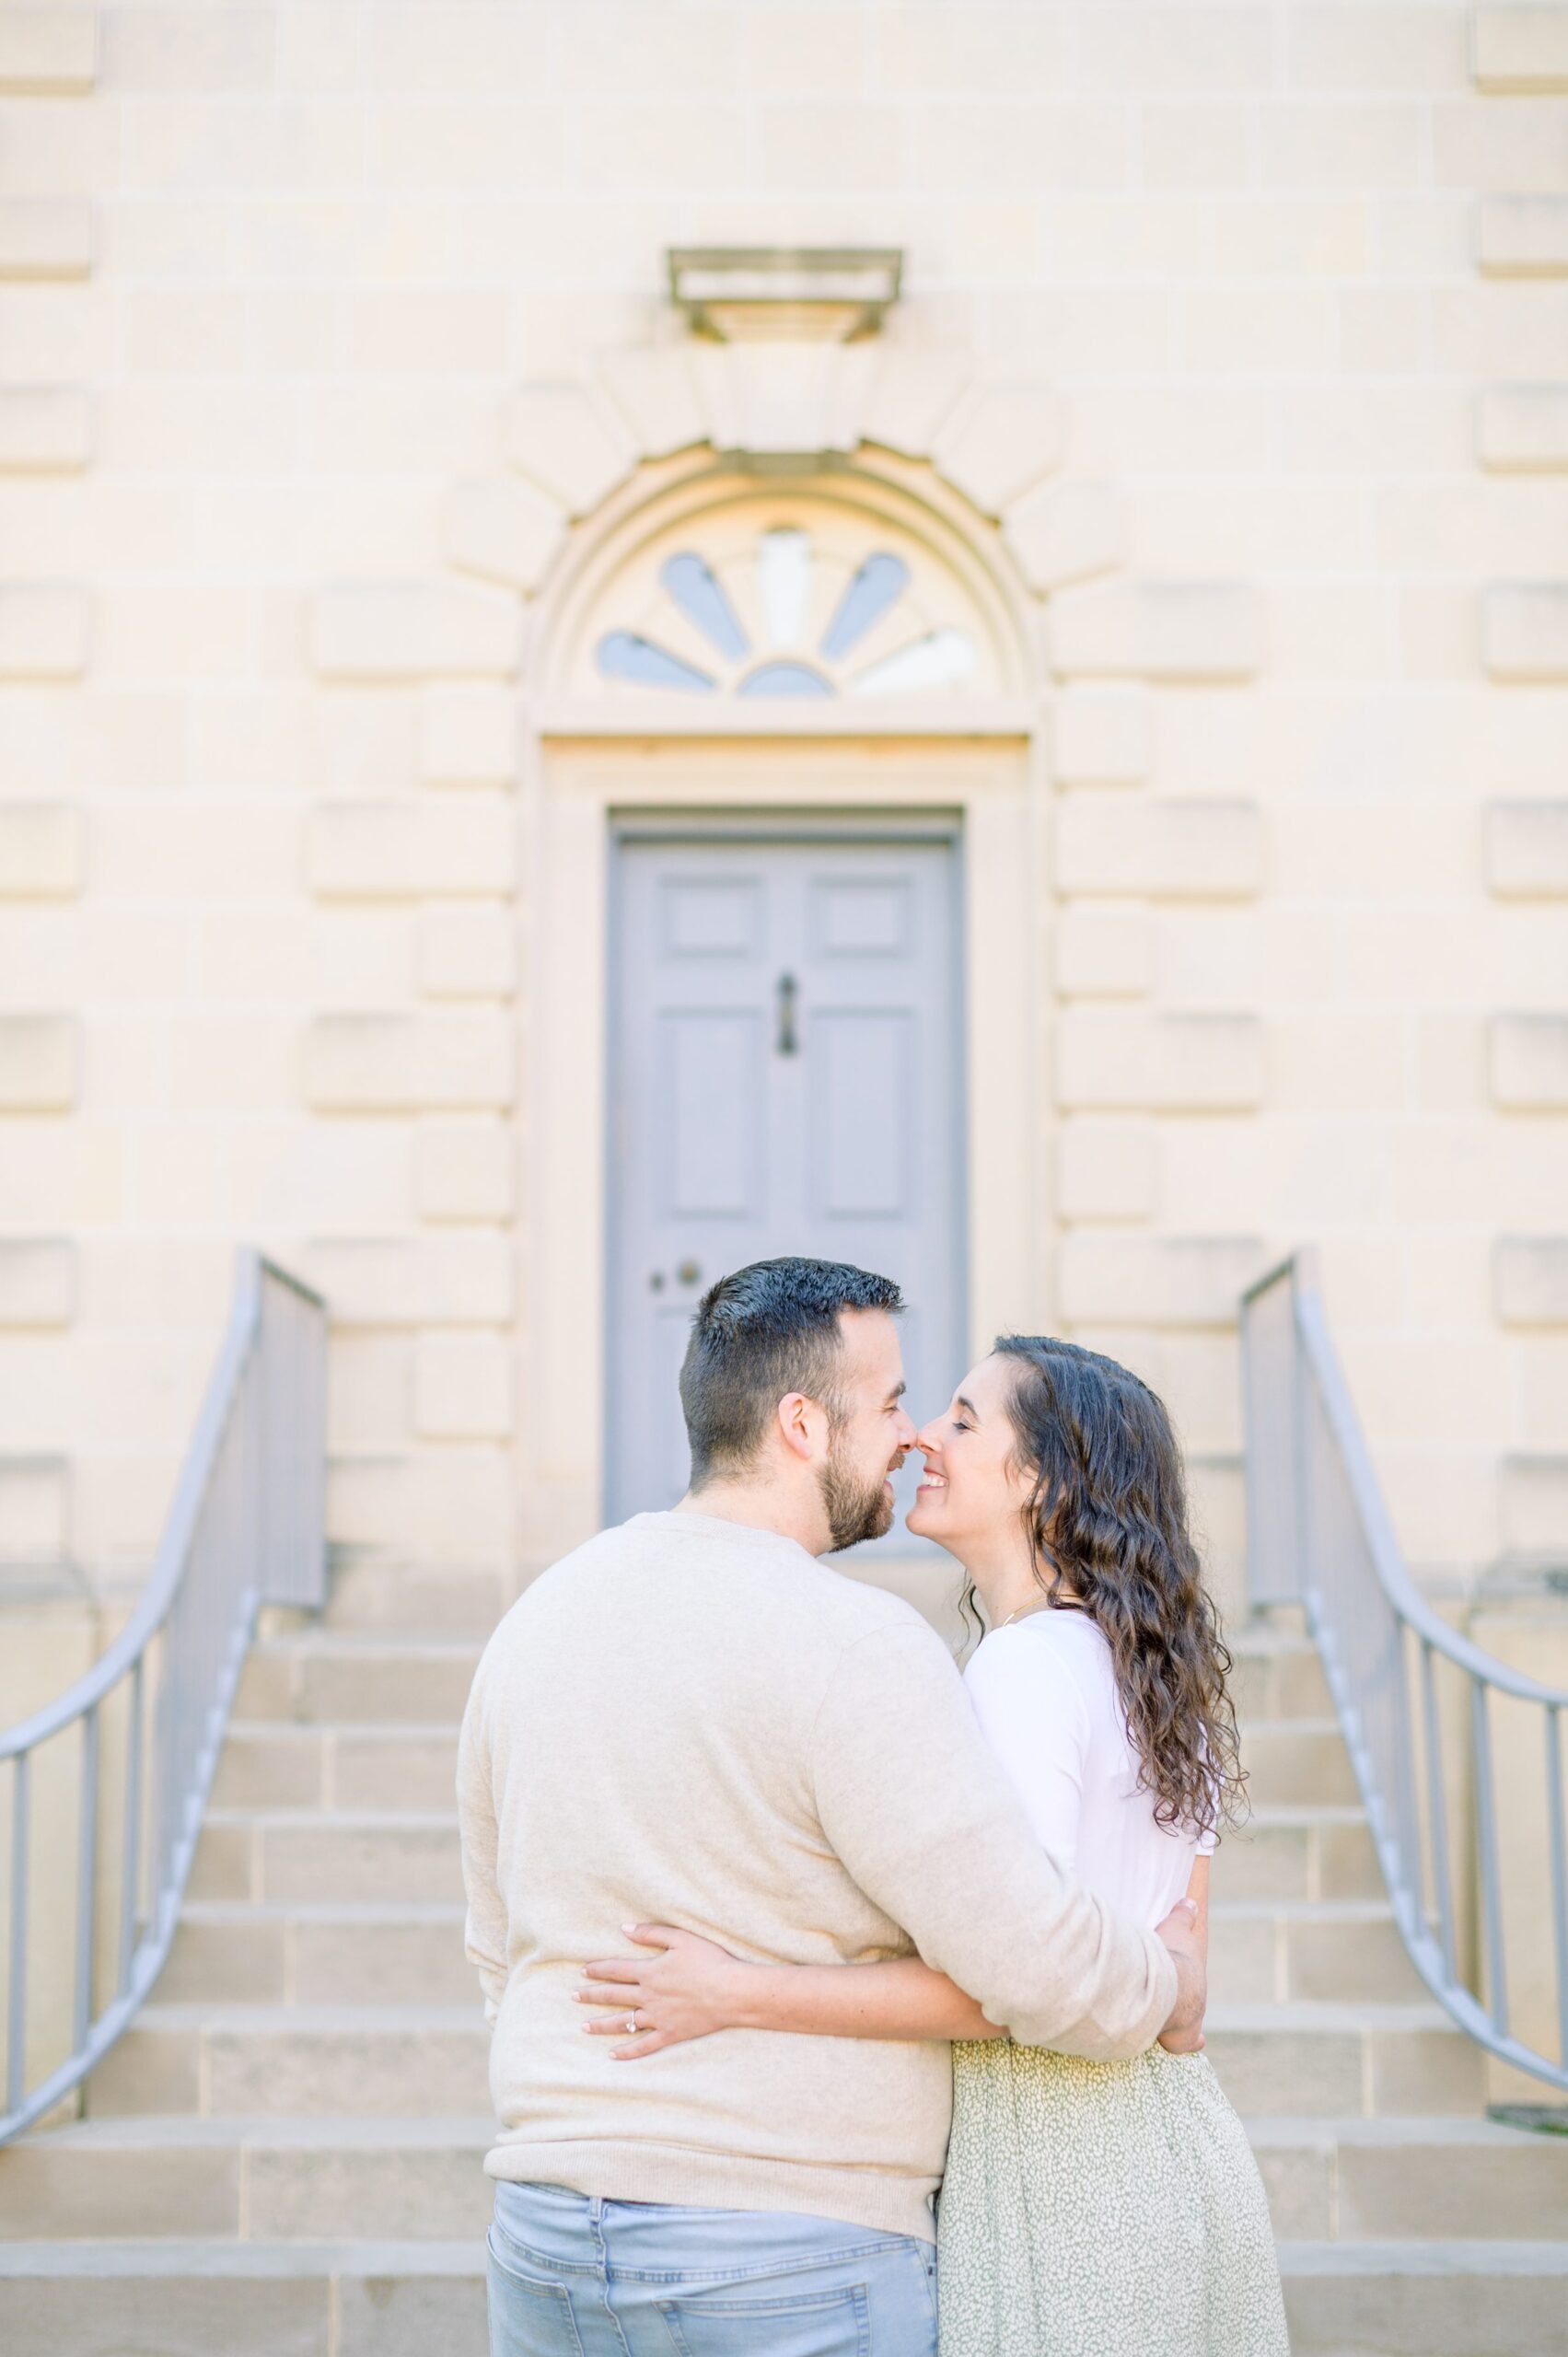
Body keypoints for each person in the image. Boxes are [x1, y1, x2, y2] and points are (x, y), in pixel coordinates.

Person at [459, 1261, 1207, 2357]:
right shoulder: (855, 1644)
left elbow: (496, 1942)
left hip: (547, 2234)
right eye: (895, 1402)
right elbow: (1027, 1962)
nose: (911, 1438)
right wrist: (1165, 1985)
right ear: (802, 1424)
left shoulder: (537, 1618)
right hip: (788, 2255)